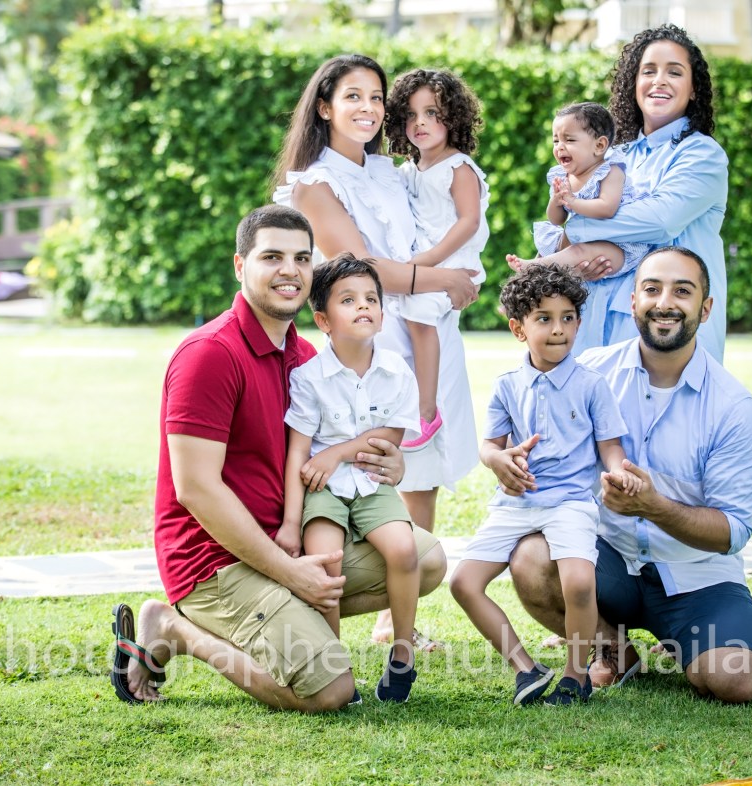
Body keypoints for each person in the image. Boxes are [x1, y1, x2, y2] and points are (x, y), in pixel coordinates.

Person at [109, 205, 447, 712]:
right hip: (215, 561)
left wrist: (389, 464)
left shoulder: (308, 359)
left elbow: (336, 451)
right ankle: (175, 628)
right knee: (330, 692)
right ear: (241, 265)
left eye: (301, 258)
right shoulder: (209, 355)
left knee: (424, 560)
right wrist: (292, 575)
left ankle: (295, 622)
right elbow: (195, 489)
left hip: (287, 538)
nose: (290, 270)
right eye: (272, 256)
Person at [273, 53, 479, 650]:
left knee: (425, 462)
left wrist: (451, 279)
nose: (367, 109)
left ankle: (398, 617)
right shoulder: (314, 184)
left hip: (425, 328)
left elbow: (441, 222)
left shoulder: (392, 170)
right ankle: (353, 598)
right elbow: (360, 266)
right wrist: (447, 280)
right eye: (352, 97)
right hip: (369, 335)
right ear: (324, 107)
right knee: (371, 461)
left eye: (374, 98)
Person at [507, 247, 752, 704]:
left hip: (696, 575)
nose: (664, 302)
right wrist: (513, 466)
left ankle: (690, 638)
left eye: (682, 291)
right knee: (531, 558)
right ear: (632, 302)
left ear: (705, 309)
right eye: (652, 289)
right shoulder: (588, 376)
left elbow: (733, 531)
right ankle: (613, 649)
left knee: (735, 680)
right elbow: (541, 456)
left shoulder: (732, 407)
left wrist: (655, 507)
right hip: (607, 560)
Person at [450, 263, 642, 707]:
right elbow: (488, 447)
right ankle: (526, 669)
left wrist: (618, 471)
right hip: (516, 502)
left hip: (571, 503)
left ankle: (577, 676)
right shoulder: (506, 386)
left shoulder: (592, 385)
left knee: (578, 582)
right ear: (518, 329)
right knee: (463, 583)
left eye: (568, 317)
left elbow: (610, 446)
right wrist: (499, 459)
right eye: (545, 319)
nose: (559, 330)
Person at [508, 24, 730, 363]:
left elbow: (659, 220)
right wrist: (580, 259)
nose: (659, 80)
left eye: (674, 72)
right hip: (599, 316)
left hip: (664, 327)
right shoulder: (615, 155)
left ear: (694, 88)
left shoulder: (702, 154)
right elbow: (573, 210)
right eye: (648, 71)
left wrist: (574, 233)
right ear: (634, 84)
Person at [279, 254, 422, 702]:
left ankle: (403, 654)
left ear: (381, 314)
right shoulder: (308, 378)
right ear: (323, 319)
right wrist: (289, 522)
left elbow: (392, 434)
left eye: (371, 299)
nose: (364, 306)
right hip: (323, 489)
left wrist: (339, 451)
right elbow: (299, 452)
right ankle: (334, 664)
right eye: (348, 300)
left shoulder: (398, 371)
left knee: (404, 549)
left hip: (369, 480)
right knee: (327, 565)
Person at [383, 68, 489, 448]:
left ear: (453, 117)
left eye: (431, 113)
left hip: (455, 261)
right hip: (427, 261)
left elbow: (468, 222)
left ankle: (427, 410)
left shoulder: (458, 167)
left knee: (418, 312)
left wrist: (425, 261)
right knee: (409, 311)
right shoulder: (411, 169)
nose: (420, 123)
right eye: (410, 115)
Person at [504, 102, 650, 354]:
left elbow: (607, 207)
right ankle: (524, 292)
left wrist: (573, 201)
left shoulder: (610, 171)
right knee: (552, 249)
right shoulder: (562, 176)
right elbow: (556, 219)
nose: (560, 147)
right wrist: (558, 199)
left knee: (576, 251)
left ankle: (532, 269)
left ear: (599, 146)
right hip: (586, 241)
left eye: (569, 139)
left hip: (621, 245)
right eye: (555, 141)